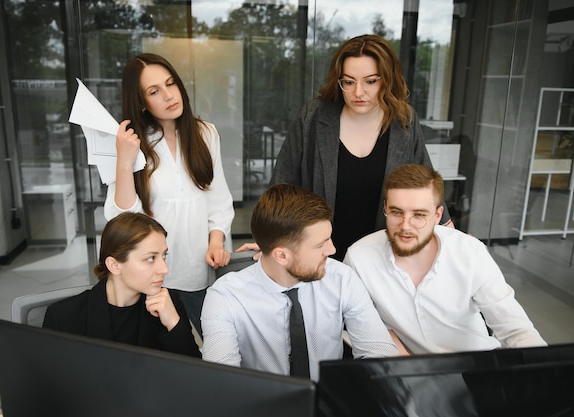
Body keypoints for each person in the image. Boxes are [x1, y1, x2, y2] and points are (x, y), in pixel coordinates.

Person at [271, 34, 453, 261]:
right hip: (320, 253)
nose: (358, 92)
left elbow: (425, 181)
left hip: (381, 255)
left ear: (387, 80)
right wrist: (271, 239)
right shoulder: (313, 117)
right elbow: (281, 185)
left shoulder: (403, 121)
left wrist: (447, 230)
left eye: (370, 81)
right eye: (348, 82)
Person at [201, 184, 399, 381]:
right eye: (320, 245)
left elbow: (379, 354)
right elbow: (222, 380)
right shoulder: (225, 296)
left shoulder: (342, 278)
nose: (331, 250)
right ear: (281, 255)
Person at [343, 164, 547, 355]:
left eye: (419, 215)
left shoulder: (469, 252)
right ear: (385, 208)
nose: (406, 225)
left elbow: (514, 328)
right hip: (407, 372)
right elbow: (359, 326)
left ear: (438, 214)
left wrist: (549, 371)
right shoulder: (360, 257)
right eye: (397, 212)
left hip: (476, 366)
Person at [104, 53, 234, 338]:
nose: (168, 95)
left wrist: (216, 241)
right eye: (154, 91)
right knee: (166, 351)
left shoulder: (205, 133)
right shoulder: (130, 144)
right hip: (153, 274)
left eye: (171, 84)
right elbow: (123, 219)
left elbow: (218, 197)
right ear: (141, 102)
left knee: (215, 343)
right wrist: (124, 162)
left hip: (199, 266)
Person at [43, 212, 200, 357]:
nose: (164, 269)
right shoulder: (63, 317)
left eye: (164, 255)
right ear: (114, 265)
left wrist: (174, 324)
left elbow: (197, 376)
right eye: (150, 258)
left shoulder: (169, 303)